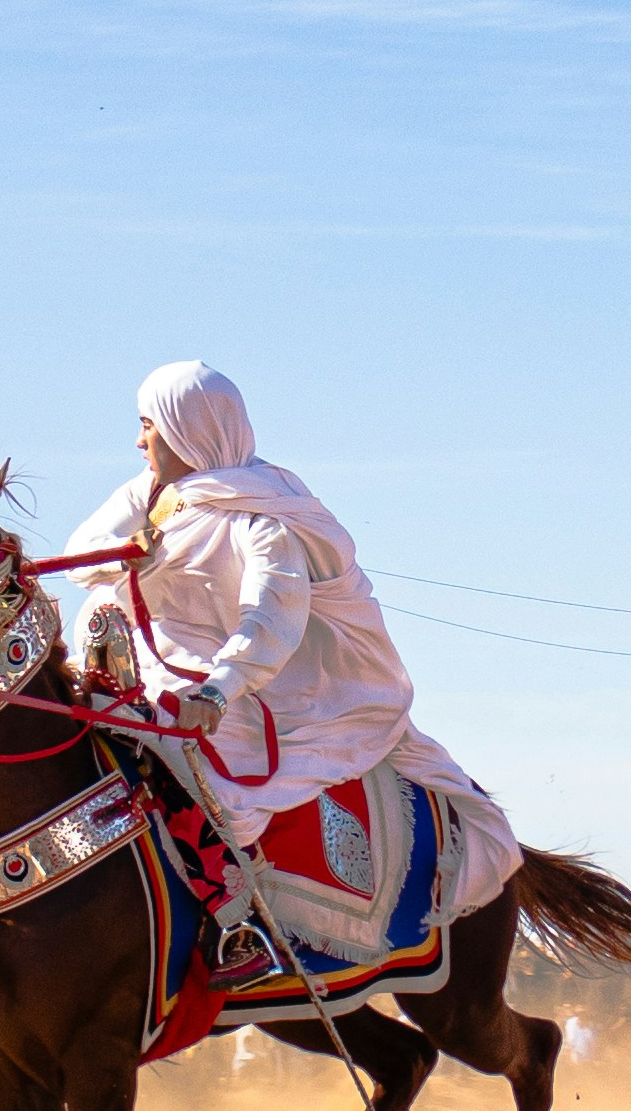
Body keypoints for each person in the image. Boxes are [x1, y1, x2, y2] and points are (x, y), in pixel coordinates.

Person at [63, 360, 521, 913]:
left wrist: (216, 692)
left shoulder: (264, 520)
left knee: (211, 781)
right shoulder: (155, 494)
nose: (139, 441)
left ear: (187, 429)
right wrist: (130, 546)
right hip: (150, 663)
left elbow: (271, 622)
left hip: (255, 688)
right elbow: (80, 558)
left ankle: (236, 910)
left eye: (148, 425)